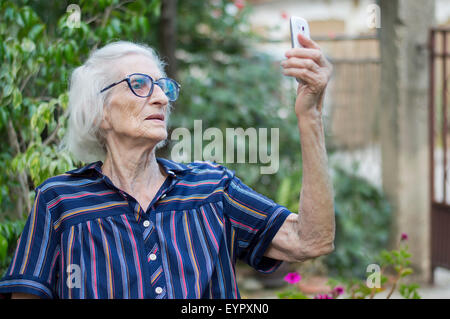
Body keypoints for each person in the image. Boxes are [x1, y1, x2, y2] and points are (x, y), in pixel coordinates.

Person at [0, 33, 335, 299]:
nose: (161, 97)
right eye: (140, 85)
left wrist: (311, 116)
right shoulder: (60, 201)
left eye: (162, 86)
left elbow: (311, 241)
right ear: (99, 111)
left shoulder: (212, 188)